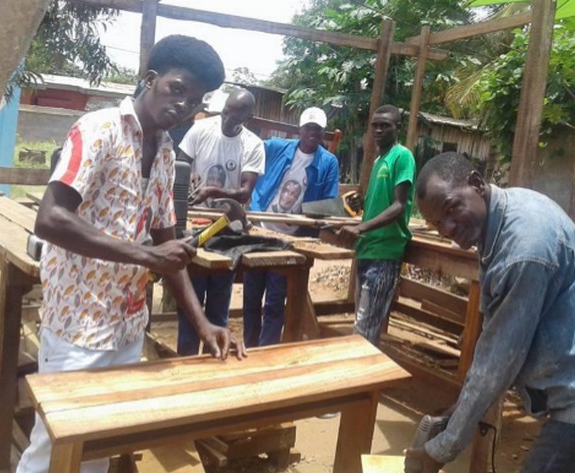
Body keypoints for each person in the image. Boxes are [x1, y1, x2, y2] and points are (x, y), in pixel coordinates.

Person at [17, 35, 246, 473]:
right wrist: (143, 257)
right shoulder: (98, 129)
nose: (183, 105)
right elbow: (50, 219)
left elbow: (168, 248)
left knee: (99, 446)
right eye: (177, 89)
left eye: (195, 100)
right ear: (151, 80)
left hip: (126, 327)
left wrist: (203, 324)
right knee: (52, 448)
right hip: (78, 326)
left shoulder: (163, 153)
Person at [405, 152, 575, 473]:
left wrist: (440, 450)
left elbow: (499, 360)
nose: (448, 228)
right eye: (437, 223)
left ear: (476, 184)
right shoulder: (504, 214)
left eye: (452, 209)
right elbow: (493, 337)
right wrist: (461, 408)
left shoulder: (523, 249)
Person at [174, 88, 265, 355]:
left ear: (248, 117)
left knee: (218, 301)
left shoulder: (253, 144)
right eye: (225, 113)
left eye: (236, 117)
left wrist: (213, 192)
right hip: (194, 223)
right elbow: (179, 169)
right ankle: (186, 363)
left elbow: (245, 193)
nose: (227, 120)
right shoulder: (201, 130)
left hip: (226, 229)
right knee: (190, 303)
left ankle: (215, 362)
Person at [244, 106, 339, 347]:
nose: (312, 133)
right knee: (251, 296)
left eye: (317, 130)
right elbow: (251, 148)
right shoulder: (277, 148)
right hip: (260, 231)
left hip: (288, 240)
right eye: (308, 128)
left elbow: (328, 203)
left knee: (276, 300)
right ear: (300, 129)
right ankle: (249, 347)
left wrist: (316, 224)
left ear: (322, 132)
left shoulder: (328, 163)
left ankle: (266, 352)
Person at [335, 105, 415, 345]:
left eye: (385, 125)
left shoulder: (402, 156)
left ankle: (363, 380)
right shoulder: (381, 160)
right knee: (362, 323)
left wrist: (361, 228)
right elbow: (382, 203)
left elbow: (399, 205)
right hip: (367, 249)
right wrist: (363, 202)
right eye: (375, 126)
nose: (378, 130)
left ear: (397, 128)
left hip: (385, 252)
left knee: (365, 328)